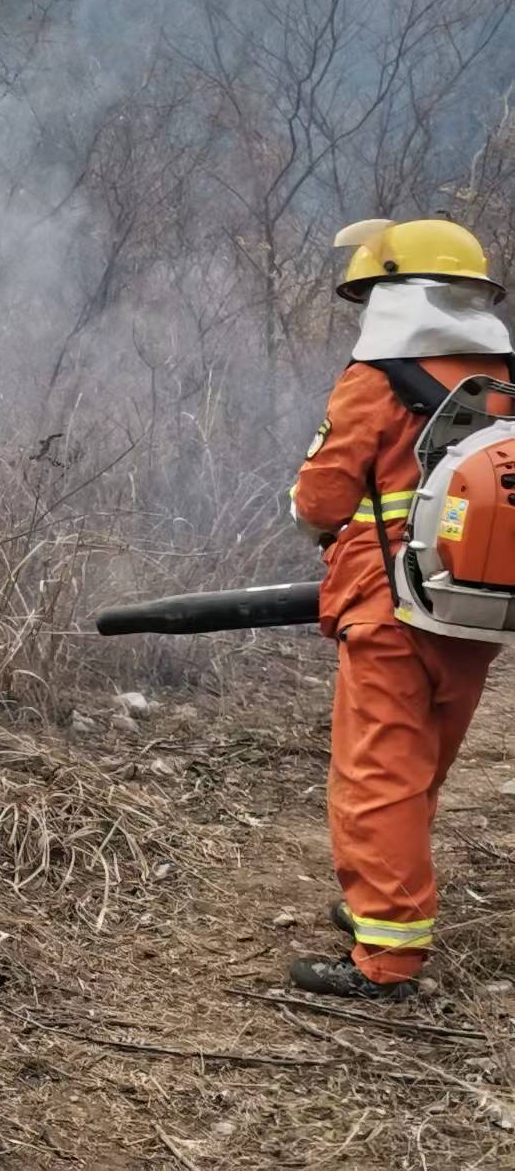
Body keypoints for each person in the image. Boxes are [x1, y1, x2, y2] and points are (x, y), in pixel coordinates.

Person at [285, 217, 512, 999]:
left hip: (389, 604)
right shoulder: (503, 379)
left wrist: (317, 518)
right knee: (420, 768)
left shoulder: (378, 380)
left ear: (391, 294)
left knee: (378, 774)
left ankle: (385, 956)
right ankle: (385, 901)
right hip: (477, 605)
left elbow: (320, 501)